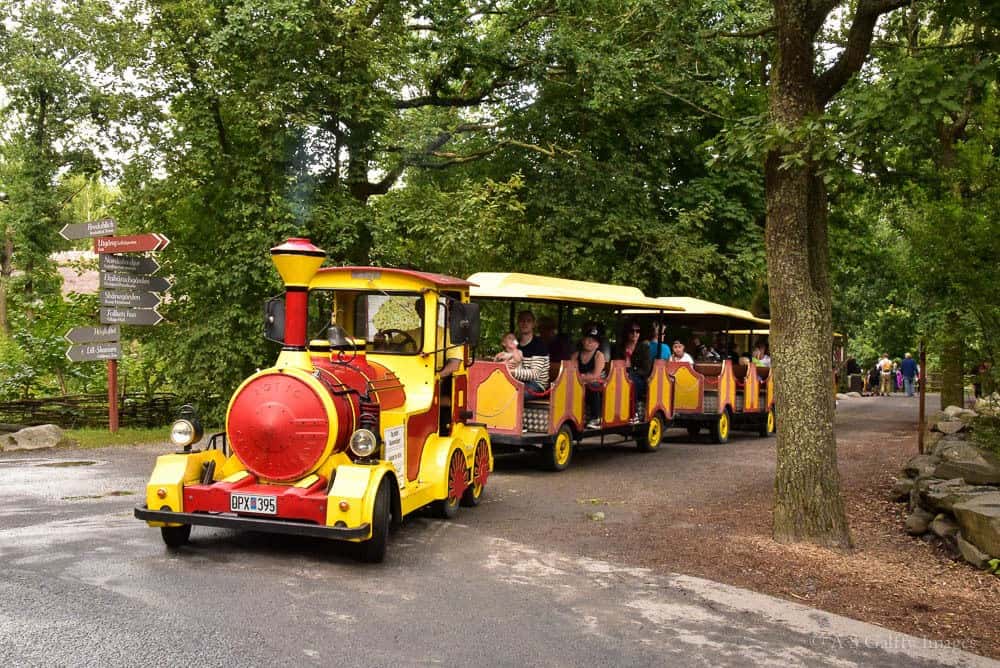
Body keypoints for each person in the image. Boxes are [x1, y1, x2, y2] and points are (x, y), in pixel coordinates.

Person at [572, 325, 606, 428]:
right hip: (579, 384)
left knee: (593, 385)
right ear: (583, 340)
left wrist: (581, 376)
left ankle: (596, 417)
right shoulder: (576, 355)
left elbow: (595, 375)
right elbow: (572, 373)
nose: (590, 342)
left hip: (595, 387)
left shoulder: (599, 356)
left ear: (598, 344)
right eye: (588, 339)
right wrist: (584, 376)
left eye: (594, 340)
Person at [615, 320, 652, 415]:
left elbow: (646, 370)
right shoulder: (620, 347)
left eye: (637, 331)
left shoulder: (644, 347)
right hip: (619, 374)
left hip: (638, 377)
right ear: (627, 333)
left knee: (631, 381)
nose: (635, 334)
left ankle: (633, 411)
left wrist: (631, 372)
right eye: (632, 331)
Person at [511, 310, 549, 393]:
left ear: (533, 324)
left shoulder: (539, 344)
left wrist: (511, 372)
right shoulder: (515, 343)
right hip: (518, 381)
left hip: (536, 384)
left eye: (528, 321)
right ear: (518, 323)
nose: (525, 323)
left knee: (512, 394)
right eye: (522, 320)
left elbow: (534, 374)